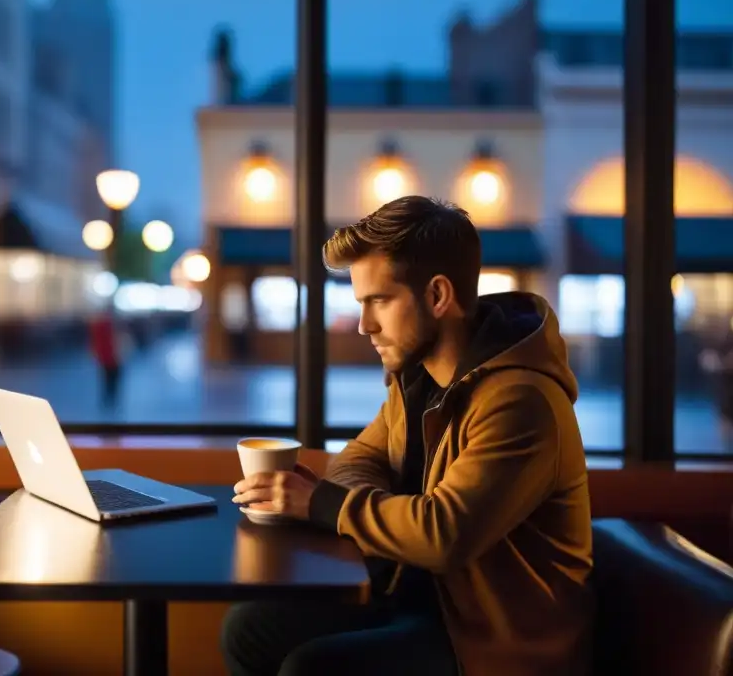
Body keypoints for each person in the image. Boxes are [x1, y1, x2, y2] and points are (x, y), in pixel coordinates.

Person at [223, 196, 594, 676]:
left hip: (494, 643)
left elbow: (443, 533)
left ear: (438, 296)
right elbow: (359, 458)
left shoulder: (521, 401)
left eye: (378, 300)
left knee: (313, 668)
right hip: (418, 597)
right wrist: (385, 513)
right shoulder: (417, 379)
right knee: (248, 628)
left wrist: (322, 504)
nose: (363, 325)